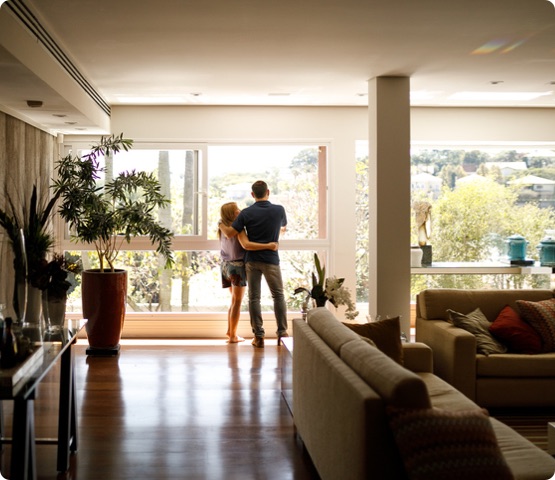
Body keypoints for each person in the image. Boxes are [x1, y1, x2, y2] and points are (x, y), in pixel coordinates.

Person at [219, 180, 287, 348]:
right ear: (268, 192)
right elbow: (283, 228)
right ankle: (282, 334)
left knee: (253, 298)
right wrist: (273, 239)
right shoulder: (279, 210)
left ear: (252, 194)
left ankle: (259, 336)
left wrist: (220, 223)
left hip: (251, 261)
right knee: (278, 296)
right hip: (271, 260)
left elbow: (231, 233)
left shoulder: (245, 214)